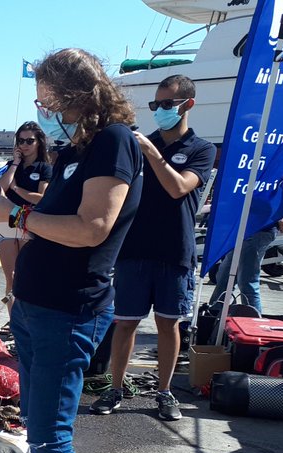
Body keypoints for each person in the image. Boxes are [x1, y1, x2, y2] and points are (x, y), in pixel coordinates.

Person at [0, 48, 143, 453]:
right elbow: (56, 215)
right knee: (40, 429)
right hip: (36, 306)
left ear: (76, 93)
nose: (40, 107)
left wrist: (17, 216)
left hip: (68, 311)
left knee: (52, 439)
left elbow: (92, 228)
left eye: (47, 96)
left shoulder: (115, 143)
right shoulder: (79, 148)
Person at [90, 74, 215, 422]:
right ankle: (115, 388)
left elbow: (179, 188)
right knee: (125, 322)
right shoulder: (140, 145)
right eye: (155, 105)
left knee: (167, 324)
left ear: (187, 104)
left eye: (166, 105)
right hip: (134, 249)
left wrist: (152, 153)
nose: (159, 111)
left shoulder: (201, 149)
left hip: (174, 250)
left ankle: (164, 392)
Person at [0, 121, 53, 307]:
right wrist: (15, 164)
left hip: (30, 220)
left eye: (29, 141)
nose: (24, 145)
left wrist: (17, 189)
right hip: (8, 219)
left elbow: (41, 198)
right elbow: (0, 189)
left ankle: (26, 322)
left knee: (27, 276)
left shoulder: (44, 167)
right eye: (20, 141)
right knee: (11, 277)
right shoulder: (13, 166)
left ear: (39, 142)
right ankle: (13, 323)